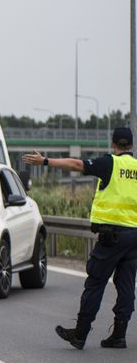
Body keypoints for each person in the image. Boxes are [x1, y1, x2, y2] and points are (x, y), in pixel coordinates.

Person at [23, 125, 137, 349]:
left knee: (95, 282)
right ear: (131, 144)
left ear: (113, 144)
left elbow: (76, 164)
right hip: (134, 237)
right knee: (126, 286)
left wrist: (45, 161)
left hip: (112, 236)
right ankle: (119, 335)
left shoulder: (109, 163)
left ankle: (80, 333)